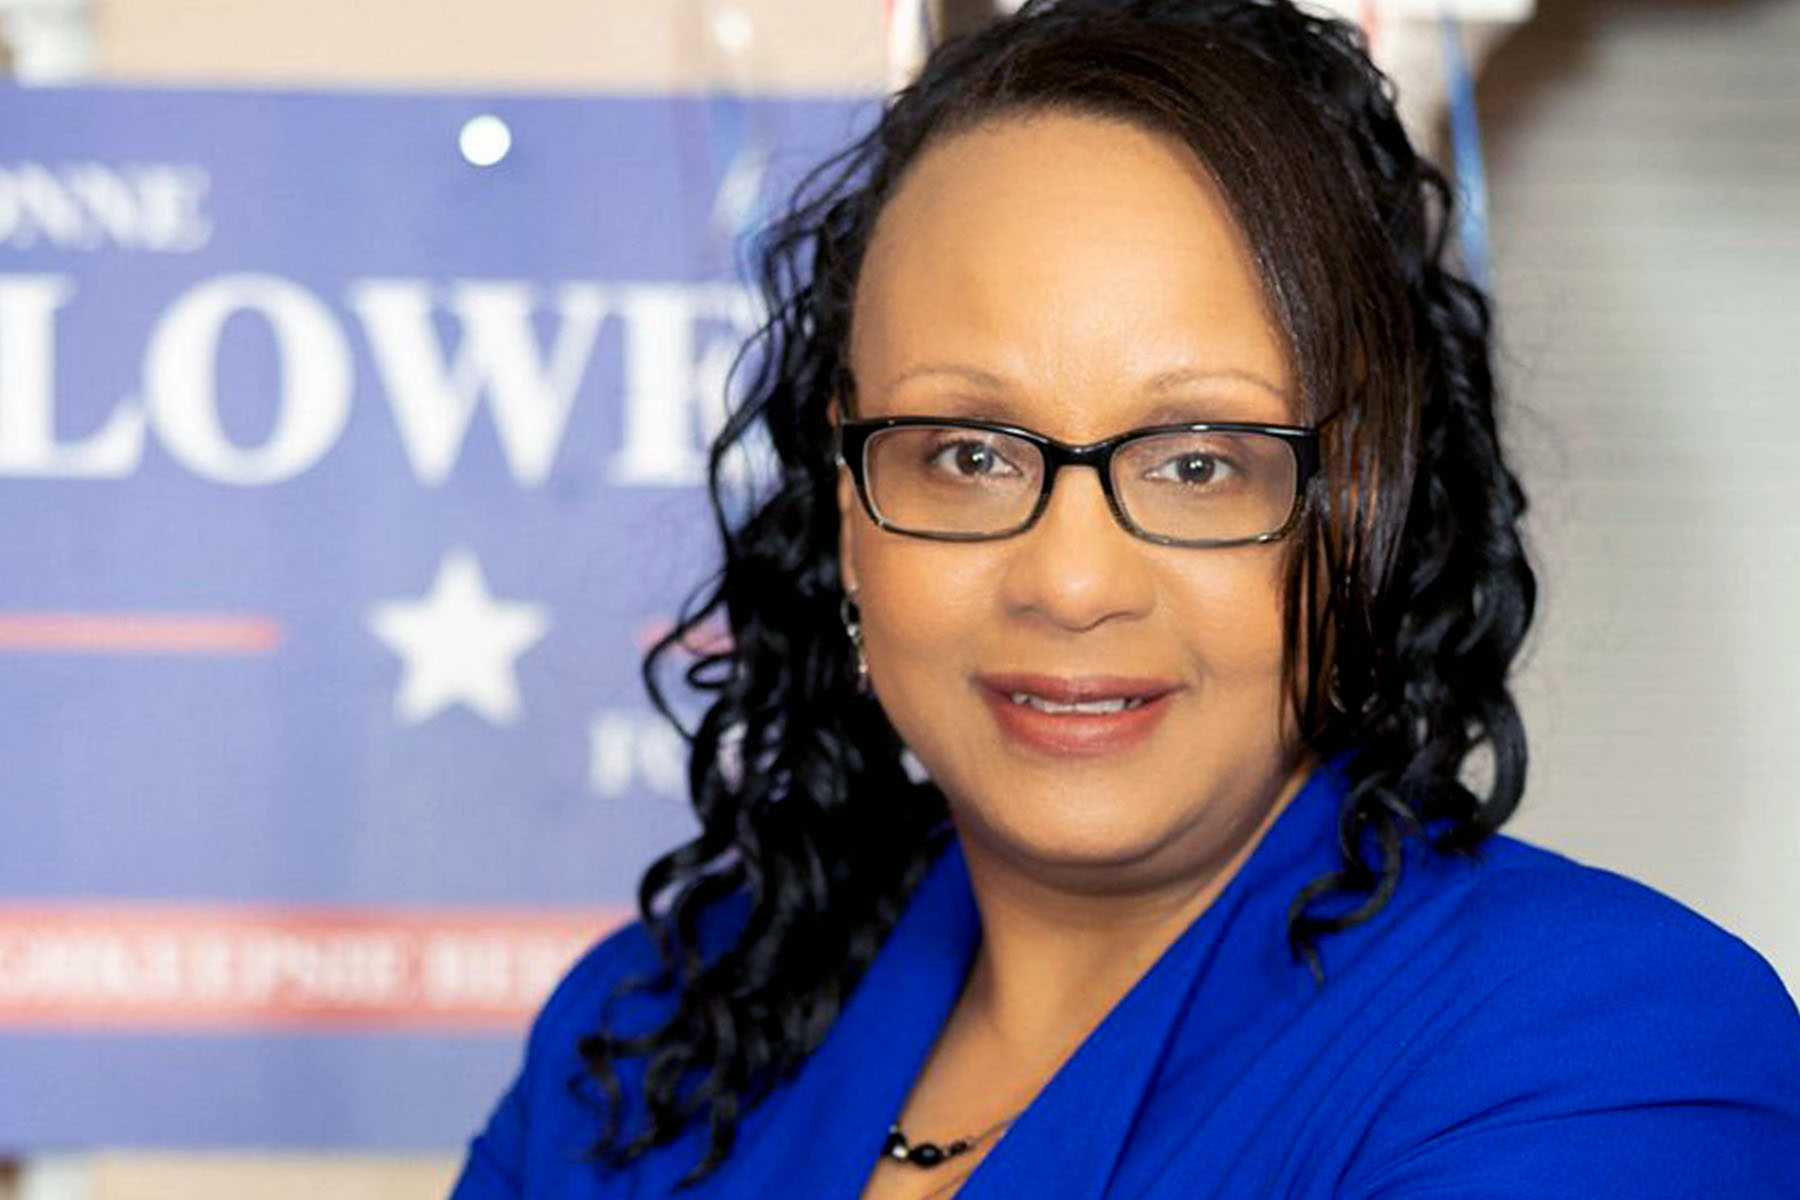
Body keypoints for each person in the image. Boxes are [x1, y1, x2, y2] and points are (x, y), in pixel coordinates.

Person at [451, 1, 1800, 1196]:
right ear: (845, 505)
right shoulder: (640, 1039)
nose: (1072, 581)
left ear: (1374, 505)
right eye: (969, 455)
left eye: (1203, 462)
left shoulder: (1606, 1047)